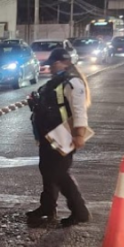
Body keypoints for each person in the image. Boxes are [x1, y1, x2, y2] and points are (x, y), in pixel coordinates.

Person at [27, 47, 92, 227]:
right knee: (47, 171)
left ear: (59, 63)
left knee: (59, 173)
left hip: (63, 134)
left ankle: (80, 211)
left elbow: (79, 111)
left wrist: (79, 134)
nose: (50, 69)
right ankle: (47, 207)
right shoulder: (56, 82)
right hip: (48, 134)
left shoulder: (73, 83)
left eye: (52, 65)